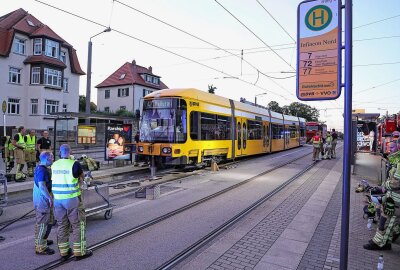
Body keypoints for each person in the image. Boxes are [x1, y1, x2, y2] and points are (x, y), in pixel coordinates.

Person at [52, 144, 92, 260]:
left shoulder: (54, 164)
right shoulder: (74, 164)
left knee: (62, 225)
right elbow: (82, 177)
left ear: (59, 152)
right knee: (78, 225)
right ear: (70, 152)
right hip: (72, 199)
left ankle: (64, 252)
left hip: (58, 200)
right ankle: (80, 252)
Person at [33, 151, 55, 255]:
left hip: (43, 198)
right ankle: (40, 247)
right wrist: (49, 198)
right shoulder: (42, 170)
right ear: (46, 159)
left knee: (48, 221)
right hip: (42, 200)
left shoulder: (41, 168)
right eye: (51, 158)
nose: (53, 159)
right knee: (42, 223)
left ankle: (42, 240)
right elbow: (42, 186)